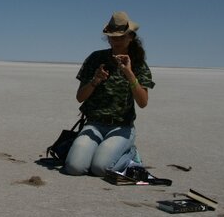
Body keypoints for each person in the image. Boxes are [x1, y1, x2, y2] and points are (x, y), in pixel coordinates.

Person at [63, 11, 155, 176]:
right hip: (94, 125)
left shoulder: (138, 64)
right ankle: (98, 149)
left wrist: (129, 74)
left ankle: (130, 153)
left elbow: (143, 102)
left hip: (121, 127)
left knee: (101, 168)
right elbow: (80, 97)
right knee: (75, 168)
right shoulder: (95, 59)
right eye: (113, 37)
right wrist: (95, 80)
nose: (116, 41)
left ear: (130, 37)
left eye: (121, 37)